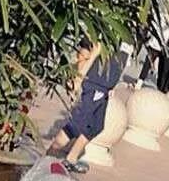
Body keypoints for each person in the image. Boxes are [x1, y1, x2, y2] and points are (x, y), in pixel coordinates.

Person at [49, 41, 129, 173]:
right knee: (76, 125)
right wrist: (78, 78)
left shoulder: (131, 35)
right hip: (94, 85)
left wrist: (113, 84)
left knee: (95, 127)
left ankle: (71, 158)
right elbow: (86, 52)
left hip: (104, 89)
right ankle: (49, 156)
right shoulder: (109, 33)